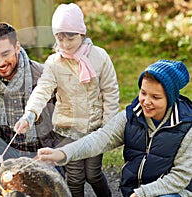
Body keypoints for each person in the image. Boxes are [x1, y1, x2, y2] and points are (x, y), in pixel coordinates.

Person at [37, 60, 192, 197]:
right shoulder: (130, 117)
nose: (146, 101)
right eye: (143, 93)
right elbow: (99, 139)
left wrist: (142, 193)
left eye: (156, 97)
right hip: (134, 191)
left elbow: (180, 177)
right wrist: (62, 153)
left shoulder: (186, 127)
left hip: (171, 192)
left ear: (170, 99)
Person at [14, 3, 119, 197]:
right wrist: (30, 114)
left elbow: (110, 92)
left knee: (93, 174)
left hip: (95, 127)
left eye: (70, 38)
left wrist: (108, 127)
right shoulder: (54, 62)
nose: (65, 44)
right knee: (75, 176)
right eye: (60, 39)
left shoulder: (100, 57)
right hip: (67, 128)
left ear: (81, 33)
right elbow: (42, 90)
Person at [0, 22, 56, 175]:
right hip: (3, 151)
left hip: (40, 153)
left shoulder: (42, 74)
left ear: (17, 48)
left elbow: (63, 119)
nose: (0, 63)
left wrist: (56, 152)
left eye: (5, 54)